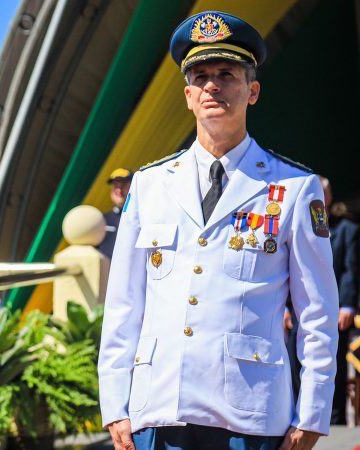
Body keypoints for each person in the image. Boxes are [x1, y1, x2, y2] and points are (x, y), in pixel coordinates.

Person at [98, 11, 339, 450]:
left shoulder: (293, 188)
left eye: (227, 74)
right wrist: (115, 404)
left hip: (250, 416)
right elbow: (123, 304)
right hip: (160, 409)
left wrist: (313, 415)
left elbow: (317, 313)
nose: (212, 85)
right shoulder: (150, 184)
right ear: (188, 95)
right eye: (201, 76)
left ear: (253, 91)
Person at [284, 176, 358, 425]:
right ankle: (294, 417)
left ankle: (332, 421)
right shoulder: (291, 223)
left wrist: (347, 305)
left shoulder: (345, 229)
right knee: (294, 365)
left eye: (322, 193)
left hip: (333, 312)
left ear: (328, 198)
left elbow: (350, 269)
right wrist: (284, 307)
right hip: (297, 310)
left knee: (330, 365)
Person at [97, 168, 132, 259]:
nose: (119, 190)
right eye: (115, 185)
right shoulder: (101, 220)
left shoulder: (141, 217)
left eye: (123, 185)